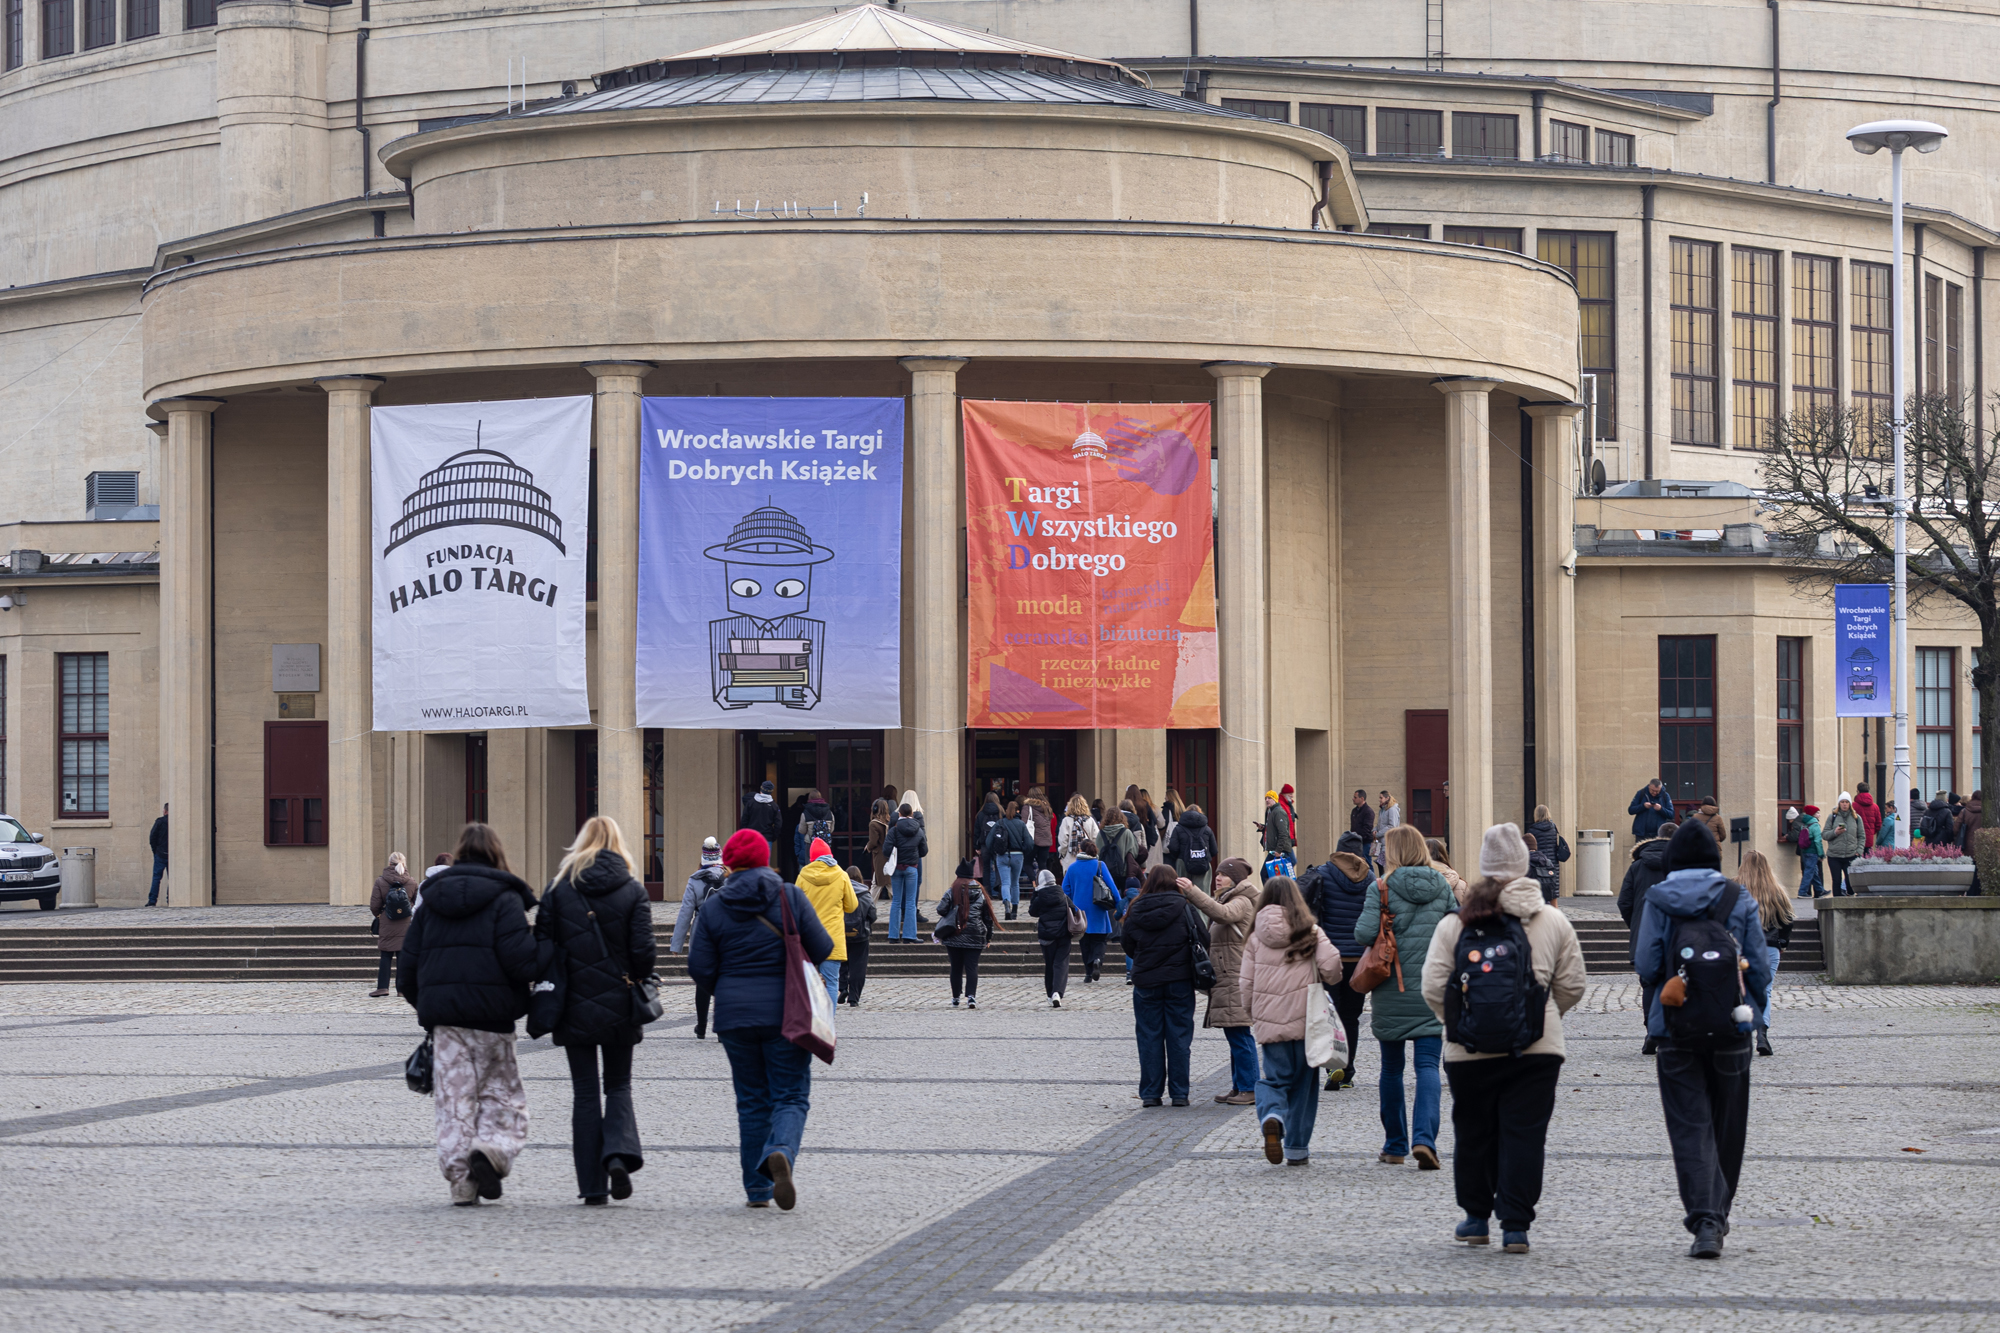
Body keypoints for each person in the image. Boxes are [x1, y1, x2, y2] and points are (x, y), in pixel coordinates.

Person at [1422, 823, 1587, 1254]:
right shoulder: (1552, 919)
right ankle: (1515, 1225)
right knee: (1525, 1134)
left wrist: (1463, 1020)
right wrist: (1543, 1015)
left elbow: (1432, 985)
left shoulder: (1457, 923)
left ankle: (1476, 1218)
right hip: (1536, 1050)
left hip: (1468, 1049)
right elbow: (1572, 985)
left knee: (1474, 1131)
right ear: (1523, 865)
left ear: (1483, 868)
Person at [1633, 821, 1772, 1259]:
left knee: (1689, 1127)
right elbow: (1761, 965)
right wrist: (1754, 1009)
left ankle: (1704, 1219)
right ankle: (1719, 1212)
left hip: (1676, 1030)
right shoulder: (1738, 897)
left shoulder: (1658, 899)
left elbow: (1646, 963)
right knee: (1729, 1127)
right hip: (1733, 1026)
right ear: (1715, 859)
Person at [687, 829, 834, 1210]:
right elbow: (823, 947)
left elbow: (699, 967)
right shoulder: (789, 895)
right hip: (788, 1012)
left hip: (735, 1018)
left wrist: (729, 990)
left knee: (751, 1101)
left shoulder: (716, 905)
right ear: (767, 859)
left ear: (729, 863)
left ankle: (757, 1190)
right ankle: (781, 1149)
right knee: (790, 1094)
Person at [397, 823, 538, 1206]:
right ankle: (490, 1151)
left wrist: (429, 1007)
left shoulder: (431, 899)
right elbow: (522, 962)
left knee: (454, 1103)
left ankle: (461, 1181)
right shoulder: (506, 898)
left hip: (447, 1024)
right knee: (501, 1095)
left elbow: (407, 969)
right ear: (496, 853)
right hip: (494, 1021)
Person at [535, 815, 657, 1206]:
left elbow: (542, 948)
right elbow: (644, 956)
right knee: (619, 1084)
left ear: (581, 843)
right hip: (621, 1004)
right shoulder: (633, 890)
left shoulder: (557, 890)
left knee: (585, 1093)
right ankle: (618, 1155)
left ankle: (591, 1186)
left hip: (572, 1005)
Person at [1356, 825, 1456, 1168]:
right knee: (1428, 1066)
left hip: (1391, 989)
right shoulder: (1442, 885)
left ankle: (1395, 1145)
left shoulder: (1380, 887)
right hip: (1432, 988)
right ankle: (1425, 1140)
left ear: (1393, 852)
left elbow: (1364, 933)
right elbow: (1456, 929)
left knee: (1392, 1069)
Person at [1241, 875, 1343, 1164]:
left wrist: (1253, 1014)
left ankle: (1272, 1114)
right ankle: (1297, 1149)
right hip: (1307, 1020)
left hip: (1270, 1021)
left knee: (1274, 1079)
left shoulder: (1255, 937)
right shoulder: (1309, 930)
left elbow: (1245, 983)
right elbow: (1332, 964)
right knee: (1305, 1086)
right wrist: (1329, 979)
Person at [1181, 856, 1261, 1105]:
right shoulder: (1229, 897)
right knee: (1234, 1033)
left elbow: (1223, 914)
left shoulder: (1242, 901)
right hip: (1228, 976)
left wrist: (1193, 892)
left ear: (1236, 878)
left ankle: (1250, 1088)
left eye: (1224, 874)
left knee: (1240, 1033)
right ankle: (1239, 1086)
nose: (1218, 877)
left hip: (1235, 976)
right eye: (1217, 873)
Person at [1122, 865, 1200, 1107]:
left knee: (1149, 1037)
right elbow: (1203, 938)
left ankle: (1150, 1093)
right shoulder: (1185, 907)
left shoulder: (1136, 908)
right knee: (1179, 1037)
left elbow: (1128, 944)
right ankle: (1179, 1093)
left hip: (1147, 981)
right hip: (1179, 980)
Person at [1308, 834, 1374, 1092]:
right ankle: (1347, 1072)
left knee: (1328, 1015)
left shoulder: (1323, 874)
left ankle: (1332, 1064)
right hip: (1358, 959)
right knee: (1351, 1017)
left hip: (1329, 959)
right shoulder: (1370, 880)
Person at [1619, 819, 1677, 1053]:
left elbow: (1624, 901)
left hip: (1645, 934)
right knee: (1675, 980)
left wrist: (1636, 924)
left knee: (1649, 983)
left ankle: (1652, 1031)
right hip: (1675, 934)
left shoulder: (1637, 866)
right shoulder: (1680, 864)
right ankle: (1670, 1031)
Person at [673, 837, 727, 1038]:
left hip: (702, 935)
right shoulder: (728, 877)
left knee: (703, 981)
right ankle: (722, 1029)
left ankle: (702, 1027)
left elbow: (686, 913)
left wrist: (676, 944)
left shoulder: (694, 880)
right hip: (724, 934)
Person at [1738, 849, 1790, 1056]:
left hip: (1740, 948)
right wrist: (1783, 942)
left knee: (1737, 991)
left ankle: (1741, 1035)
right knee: (1765, 991)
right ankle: (1762, 1033)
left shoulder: (1735, 888)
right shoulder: (1775, 889)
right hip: (1769, 947)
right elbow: (1787, 918)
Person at [797, 838, 859, 1007]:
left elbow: (795, 906)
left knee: (807, 983)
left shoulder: (803, 875)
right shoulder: (841, 875)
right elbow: (852, 905)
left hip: (809, 938)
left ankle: (810, 1021)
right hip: (832, 938)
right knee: (832, 983)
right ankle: (828, 1023)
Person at [1064, 838, 1124, 983]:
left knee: (1085, 943)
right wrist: (1119, 905)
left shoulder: (1072, 867)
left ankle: (1088, 973)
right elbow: (1112, 887)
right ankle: (1097, 959)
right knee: (1100, 940)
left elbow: (1065, 890)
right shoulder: (1099, 865)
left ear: (1080, 850)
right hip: (1098, 909)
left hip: (1080, 911)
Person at [939, 859, 997, 1007]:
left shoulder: (952, 890)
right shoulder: (980, 892)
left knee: (956, 967)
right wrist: (988, 937)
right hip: (975, 934)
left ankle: (955, 998)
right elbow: (987, 918)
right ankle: (971, 996)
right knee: (972, 967)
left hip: (954, 933)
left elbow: (941, 909)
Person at [368, 852, 417, 997]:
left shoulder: (381, 881)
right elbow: (415, 903)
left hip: (387, 921)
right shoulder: (412, 882)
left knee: (386, 955)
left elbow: (374, 905)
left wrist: (380, 916)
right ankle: (402, 989)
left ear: (389, 864)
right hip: (405, 923)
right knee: (402, 955)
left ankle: (383, 987)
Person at [1027, 868, 1076, 1005]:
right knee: (1061, 964)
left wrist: (1035, 893)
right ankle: (1057, 993)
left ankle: (1050, 994)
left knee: (1049, 965)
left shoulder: (1040, 897)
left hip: (1047, 936)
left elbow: (1032, 912)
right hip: (1063, 935)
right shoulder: (1062, 895)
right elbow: (1074, 910)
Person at [883, 802, 928, 942]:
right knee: (910, 902)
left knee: (896, 900)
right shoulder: (919, 830)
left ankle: (893, 935)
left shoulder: (894, 830)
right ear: (912, 814)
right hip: (911, 868)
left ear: (900, 814)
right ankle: (910, 935)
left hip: (897, 868)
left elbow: (886, 850)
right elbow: (924, 851)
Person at [838, 865, 877, 1007]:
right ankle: (854, 997)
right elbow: (872, 914)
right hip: (860, 933)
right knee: (858, 966)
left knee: (842, 962)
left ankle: (842, 987)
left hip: (841, 932)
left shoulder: (839, 892)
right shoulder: (865, 893)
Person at [1165, 803, 1218, 890]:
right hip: (1203, 863)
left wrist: (1179, 857)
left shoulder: (1178, 828)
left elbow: (1173, 847)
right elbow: (1214, 850)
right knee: (1202, 893)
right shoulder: (1207, 829)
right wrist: (1204, 856)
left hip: (1183, 862)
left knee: (1183, 891)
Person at [1525, 804, 1570, 902]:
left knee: (1540, 889)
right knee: (1552, 891)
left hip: (1539, 863)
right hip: (1552, 863)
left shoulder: (1533, 829)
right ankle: (1553, 913)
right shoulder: (1553, 828)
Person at [1822, 793, 1865, 898]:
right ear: (1839, 803)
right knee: (1836, 880)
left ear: (1850, 804)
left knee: (1850, 881)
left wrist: (1858, 851)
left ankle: (1850, 901)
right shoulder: (1832, 817)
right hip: (1834, 855)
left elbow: (1861, 836)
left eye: (1846, 802)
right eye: (1842, 802)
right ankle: (1836, 904)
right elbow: (1824, 834)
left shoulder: (1856, 818)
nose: (1844, 804)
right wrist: (1835, 832)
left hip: (1851, 854)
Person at [794, 789, 835, 873]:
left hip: (810, 844)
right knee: (825, 868)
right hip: (825, 844)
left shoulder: (805, 812)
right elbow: (831, 830)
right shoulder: (829, 812)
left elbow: (801, 830)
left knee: (810, 869)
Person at [738, 780, 783, 855]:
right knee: (764, 863)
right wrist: (773, 836)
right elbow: (778, 824)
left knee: (751, 862)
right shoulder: (774, 806)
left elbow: (744, 821)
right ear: (771, 791)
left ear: (761, 789)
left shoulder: (750, 803)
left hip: (751, 837)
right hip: (766, 838)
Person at [1057, 794, 1100, 872]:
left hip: (1070, 860)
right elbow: (1096, 839)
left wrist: (1062, 855)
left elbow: (1063, 842)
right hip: (1087, 858)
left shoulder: (1066, 820)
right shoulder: (1090, 820)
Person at [1259, 790, 1296, 878]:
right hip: (1276, 850)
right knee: (1277, 877)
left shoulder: (1278, 812)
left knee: (1266, 874)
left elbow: (1283, 833)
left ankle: (1271, 892)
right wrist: (1263, 828)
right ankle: (1277, 891)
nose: (1267, 800)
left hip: (1280, 851)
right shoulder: (1270, 812)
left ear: (1275, 799)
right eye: (1266, 798)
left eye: (1269, 798)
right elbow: (1273, 830)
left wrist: (1278, 850)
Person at [1022, 786, 1057, 875]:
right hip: (1046, 839)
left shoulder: (1027, 807)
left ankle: (1034, 882)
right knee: (1043, 864)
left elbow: (1023, 823)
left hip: (1033, 839)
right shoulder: (1047, 807)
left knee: (1027, 863)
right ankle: (1043, 883)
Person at [864, 798, 895, 899]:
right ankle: (869, 907)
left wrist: (867, 847)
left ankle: (869, 907)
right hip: (889, 855)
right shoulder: (890, 821)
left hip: (880, 856)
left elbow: (873, 841)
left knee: (882, 883)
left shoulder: (874, 824)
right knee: (878, 882)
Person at [1792, 804, 1825, 897]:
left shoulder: (1805, 823)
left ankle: (1820, 889)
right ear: (1813, 814)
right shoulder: (1815, 824)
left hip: (1805, 851)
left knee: (1813, 871)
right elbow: (1818, 841)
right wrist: (1821, 854)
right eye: (1817, 813)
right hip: (1813, 851)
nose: (1819, 815)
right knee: (1809, 872)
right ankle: (1802, 892)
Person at [147, 803, 169, 907]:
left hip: (160, 853)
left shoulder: (160, 822)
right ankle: (170, 898)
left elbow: (152, 837)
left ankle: (152, 900)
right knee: (172, 878)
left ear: (165, 811)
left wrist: (155, 850)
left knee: (156, 878)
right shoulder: (176, 822)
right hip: (172, 854)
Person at [1375, 791, 1402, 869]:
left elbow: (1392, 826)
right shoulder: (1382, 810)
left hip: (1388, 844)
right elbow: (1380, 824)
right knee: (1380, 866)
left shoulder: (1392, 810)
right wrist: (1374, 830)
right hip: (1382, 843)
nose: (1379, 800)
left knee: (1386, 868)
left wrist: (1378, 834)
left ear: (1387, 798)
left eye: (1381, 798)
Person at [1852, 782, 1883, 851]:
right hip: (1869, 839)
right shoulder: (1875, 807)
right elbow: (1878, 824)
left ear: (1858, 791)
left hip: (1855, 839)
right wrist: (1871, 832)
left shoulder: (1853, 806)